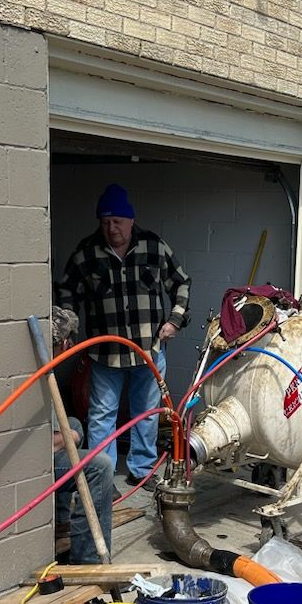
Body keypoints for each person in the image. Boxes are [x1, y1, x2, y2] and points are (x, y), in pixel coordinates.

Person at [55, 184, 191, 490]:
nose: (111, 228)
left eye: (117, 221)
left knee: (146, 414)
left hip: (148, 351)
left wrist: (175, 320)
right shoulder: (86, 253)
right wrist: (69, 327)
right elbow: (66, 291)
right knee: (102, 416)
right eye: (104, 222)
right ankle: (103, 475)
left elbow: (181, 283)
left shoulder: (154, 247)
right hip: (105, 354)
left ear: (130, 220)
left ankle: (141, 469)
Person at [53, 416, 114, 565]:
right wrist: (67, 437)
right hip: (32, 458)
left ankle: (61, 521)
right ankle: (88, 559)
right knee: (100, 467)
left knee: (74, 423)